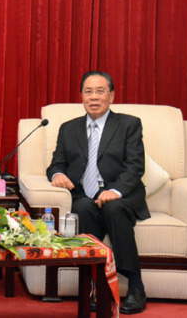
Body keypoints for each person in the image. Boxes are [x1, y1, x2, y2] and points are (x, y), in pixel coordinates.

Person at [47, 71, 149, 314]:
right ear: (81, 96)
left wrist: (115, 190)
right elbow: (56, 163)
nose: (94, 97)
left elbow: (135, 166)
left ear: (111, 96)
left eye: (100, 91)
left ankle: (135, 285)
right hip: (84, 194)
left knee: (113, 208)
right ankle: (93, 285)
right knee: (82, 207)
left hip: (120, 194)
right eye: (88, 91)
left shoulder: (128, 124)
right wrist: (57, 175)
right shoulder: (68, 128)